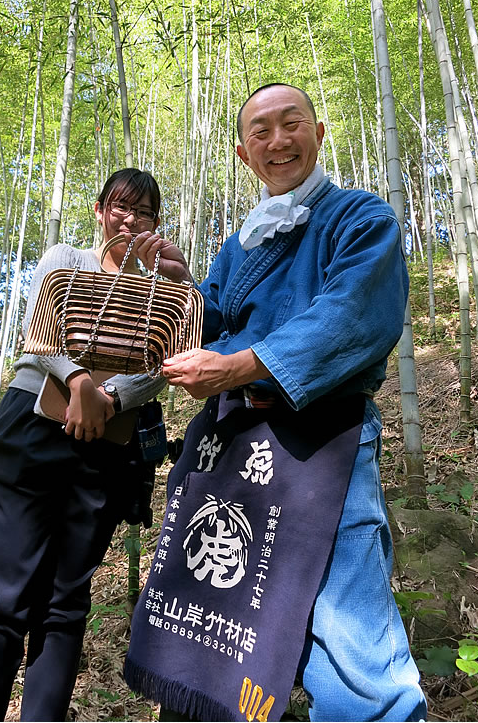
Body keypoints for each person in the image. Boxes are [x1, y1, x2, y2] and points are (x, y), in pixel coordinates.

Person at [125, 84, 427, 721]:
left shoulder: (361, 218)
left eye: (292, 124)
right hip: (234, 444)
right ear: (242, 153)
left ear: (319, 132)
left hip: (325, 439)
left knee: (342, 624)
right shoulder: (240, 243)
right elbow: (208, 321)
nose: (278, 140)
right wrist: (180, 286)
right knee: (214, 611)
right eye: (260, 132)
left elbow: (351, 318)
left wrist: (240, 365)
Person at [0, 168, 166, 722]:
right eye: (121, 206)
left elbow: (162, 364)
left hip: (106, 444)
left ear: (156, 224)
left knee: (65, 605)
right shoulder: (64, 260)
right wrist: (77, 382)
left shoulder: (161, 290)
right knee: (3, 602)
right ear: (100, 211)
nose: (130, 219)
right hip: (29, 430)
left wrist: (109, 399)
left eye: (143, 213)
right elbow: (43, 332)